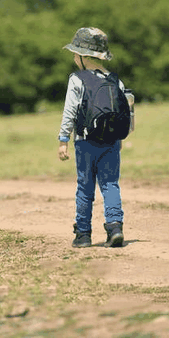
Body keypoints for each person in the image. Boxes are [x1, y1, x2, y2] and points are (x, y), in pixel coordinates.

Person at [58, 27, 125, 248]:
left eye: (75, 55)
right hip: (111, 143)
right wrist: (120, 138)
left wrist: (63, 139)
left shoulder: (77, 79)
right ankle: (115, 227)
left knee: (85, 187)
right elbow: (126, 112)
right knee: (110, 184)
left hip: (85, 142)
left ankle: (83, 234)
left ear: (83, 57)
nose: (74, 59)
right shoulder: (115, 80)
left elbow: (70, 111)